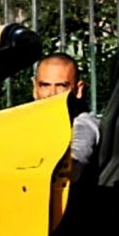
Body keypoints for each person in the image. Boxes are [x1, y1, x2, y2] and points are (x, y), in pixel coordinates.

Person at [33, 53, 99, 183]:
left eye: (61, 86)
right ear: (35, 88)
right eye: (45, 85)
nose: (52, 94)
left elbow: (73, 168)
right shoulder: (27, 123)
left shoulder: (82, 124)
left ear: (78, 90)